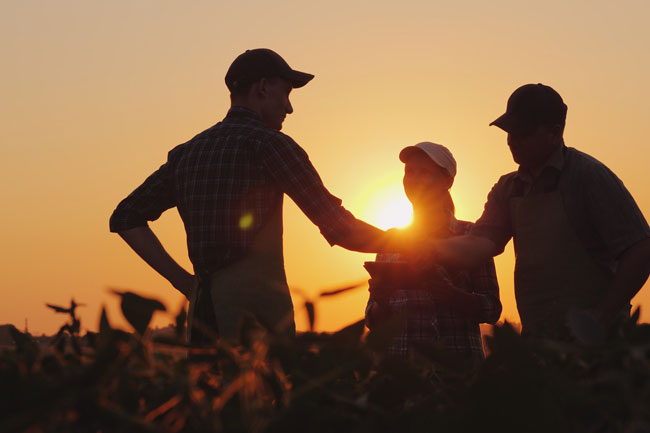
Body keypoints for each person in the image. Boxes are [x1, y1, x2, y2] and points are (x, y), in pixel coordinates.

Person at [109, 48, 391, 342]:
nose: (290, 108)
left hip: (203, 322)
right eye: (286, 93)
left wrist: (183, 282)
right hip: (258, 327)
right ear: (263, 87)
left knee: (208, 388)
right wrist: (409, 245)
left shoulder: (187, 154)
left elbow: (126, 217)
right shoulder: (271, 146)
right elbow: (339, 228)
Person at [417, 84, 650, 339]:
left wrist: (600, 317)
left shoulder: (589, 176)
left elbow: (641, 250)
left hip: (598, 345)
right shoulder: (508, 189)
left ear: (555, 132)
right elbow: (478, 244)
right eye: (509, 131)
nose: (512, 140)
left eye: (523, 132)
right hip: (539, 339)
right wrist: (424, 247)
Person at [365, 142, 501, 361]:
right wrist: (382, 298)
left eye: (425, 172)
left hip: (457, 372)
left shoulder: (471, 236)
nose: (415, 179)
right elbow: (373, 320)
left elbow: (492, 309)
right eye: (409, 172)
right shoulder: (389, 240)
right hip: (402, 372)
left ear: (448, 181)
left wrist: (451, 295)